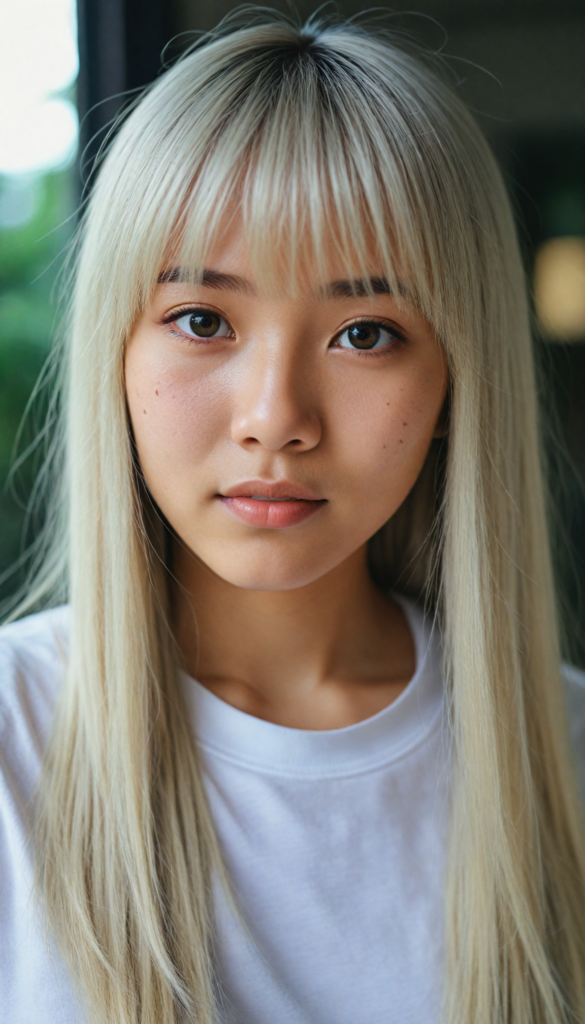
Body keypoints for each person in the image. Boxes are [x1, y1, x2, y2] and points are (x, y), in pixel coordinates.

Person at [1, 12, 585, 1024]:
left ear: (457, 381)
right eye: (202, 319)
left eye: (366, 332)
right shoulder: (16, 735)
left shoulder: (567, 752)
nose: (276, 417)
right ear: (116, 350)